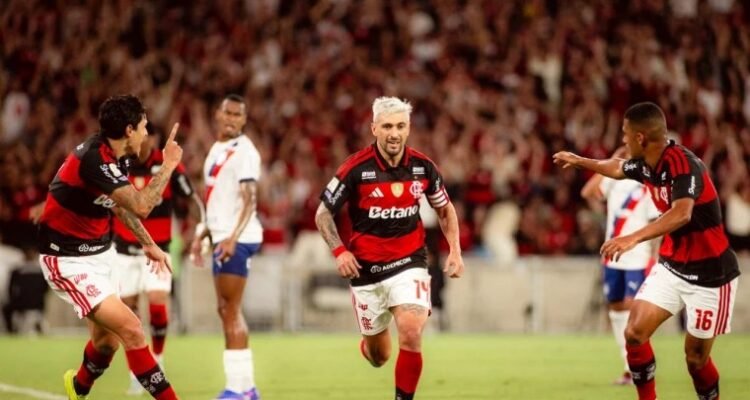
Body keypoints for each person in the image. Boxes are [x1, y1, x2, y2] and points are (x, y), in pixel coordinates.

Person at [553, 102, 740, 400]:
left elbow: (681, 213)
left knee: (695, 360)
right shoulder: (646, 165)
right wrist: (579, 161)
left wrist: (633, 238)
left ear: (640, 137)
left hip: (711, 274)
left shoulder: (684, 164)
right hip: (672, 267)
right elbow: (616, 168)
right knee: (634, 332)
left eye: (625, 134)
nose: (623, 140)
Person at [315, 96, 464, 400]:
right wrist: (339, 251)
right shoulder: (355, 168)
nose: (394, 133)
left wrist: (455, 250)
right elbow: (323, 213)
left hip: (409, 263)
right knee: (379, 356)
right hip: (366, 271)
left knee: (411, 330)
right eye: (387, 126)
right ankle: (369, 345)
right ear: (374, 129)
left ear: (408, 128)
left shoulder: (423, 167)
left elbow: (445, 209)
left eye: (400, 126)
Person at [37, 94, 182, 400]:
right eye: (143, 126)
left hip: (102, 253)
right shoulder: (94, 159)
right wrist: (168, 164)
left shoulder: (120, 157)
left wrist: (148, 243)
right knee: (132, 328)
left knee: (107, 343)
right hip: (67, 259)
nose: (146, 133)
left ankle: (77, 389)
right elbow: (142, 205)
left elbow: (119, 205)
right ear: (129, 130)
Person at [112, 123, 204, 395]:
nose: (144, 141)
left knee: (156, 302)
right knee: (129, 314)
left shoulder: (168, 166)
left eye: (149, 137)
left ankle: (158, 359)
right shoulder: (121, 164)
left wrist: (201, 228)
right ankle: (135, 372)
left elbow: (192, 199)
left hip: (158, 250)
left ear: (155, 140)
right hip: (124, 251)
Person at [189, 94, 263, 400]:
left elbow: (250, 199)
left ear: (244, 119)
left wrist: (232, 237)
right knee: (226, 309)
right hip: (223, 235)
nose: (231, 119)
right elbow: (217, 201)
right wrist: (203, 234)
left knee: (230, 310)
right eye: (227, 113)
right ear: (217, 115)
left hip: (238, 238)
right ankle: (247, 388)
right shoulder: (217, 149)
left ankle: (237, 388)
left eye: (237, 114)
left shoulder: (245, 152)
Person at [580, 146, 659, 385]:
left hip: (638, 256)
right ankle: (628, 366)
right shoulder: (615, 177)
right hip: (612, 255)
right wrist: (611, 160)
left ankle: (640, 367)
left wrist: (655, 257)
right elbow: (587, 192)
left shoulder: (648, 183)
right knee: (615, 308)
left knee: (633, 312)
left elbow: (656, 223)